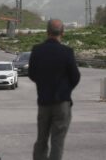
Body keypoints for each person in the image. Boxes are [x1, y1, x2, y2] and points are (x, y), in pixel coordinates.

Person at [29, 19, 81, 160]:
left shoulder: (37, 50)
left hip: (44, 103)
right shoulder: (67, 52)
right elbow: (75, 77)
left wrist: (43, 85)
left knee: (41, 139)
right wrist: (65, 90)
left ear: (47, 32)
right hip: (62, 104)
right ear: (62, 33)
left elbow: (32, 74)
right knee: (57, 142)